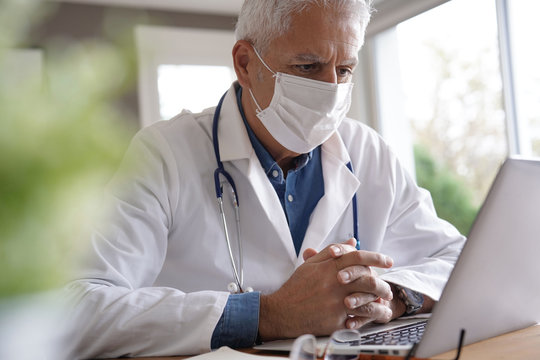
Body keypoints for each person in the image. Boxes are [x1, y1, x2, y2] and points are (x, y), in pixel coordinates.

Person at [67, 0, 465, 358]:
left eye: (344, 69)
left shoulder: (368, 151)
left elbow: (460, 260)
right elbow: (78, 309)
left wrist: (394, 297)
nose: (331, 90)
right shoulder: (165, 153)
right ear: (245, 63)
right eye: (307, 67)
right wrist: (267, 315)